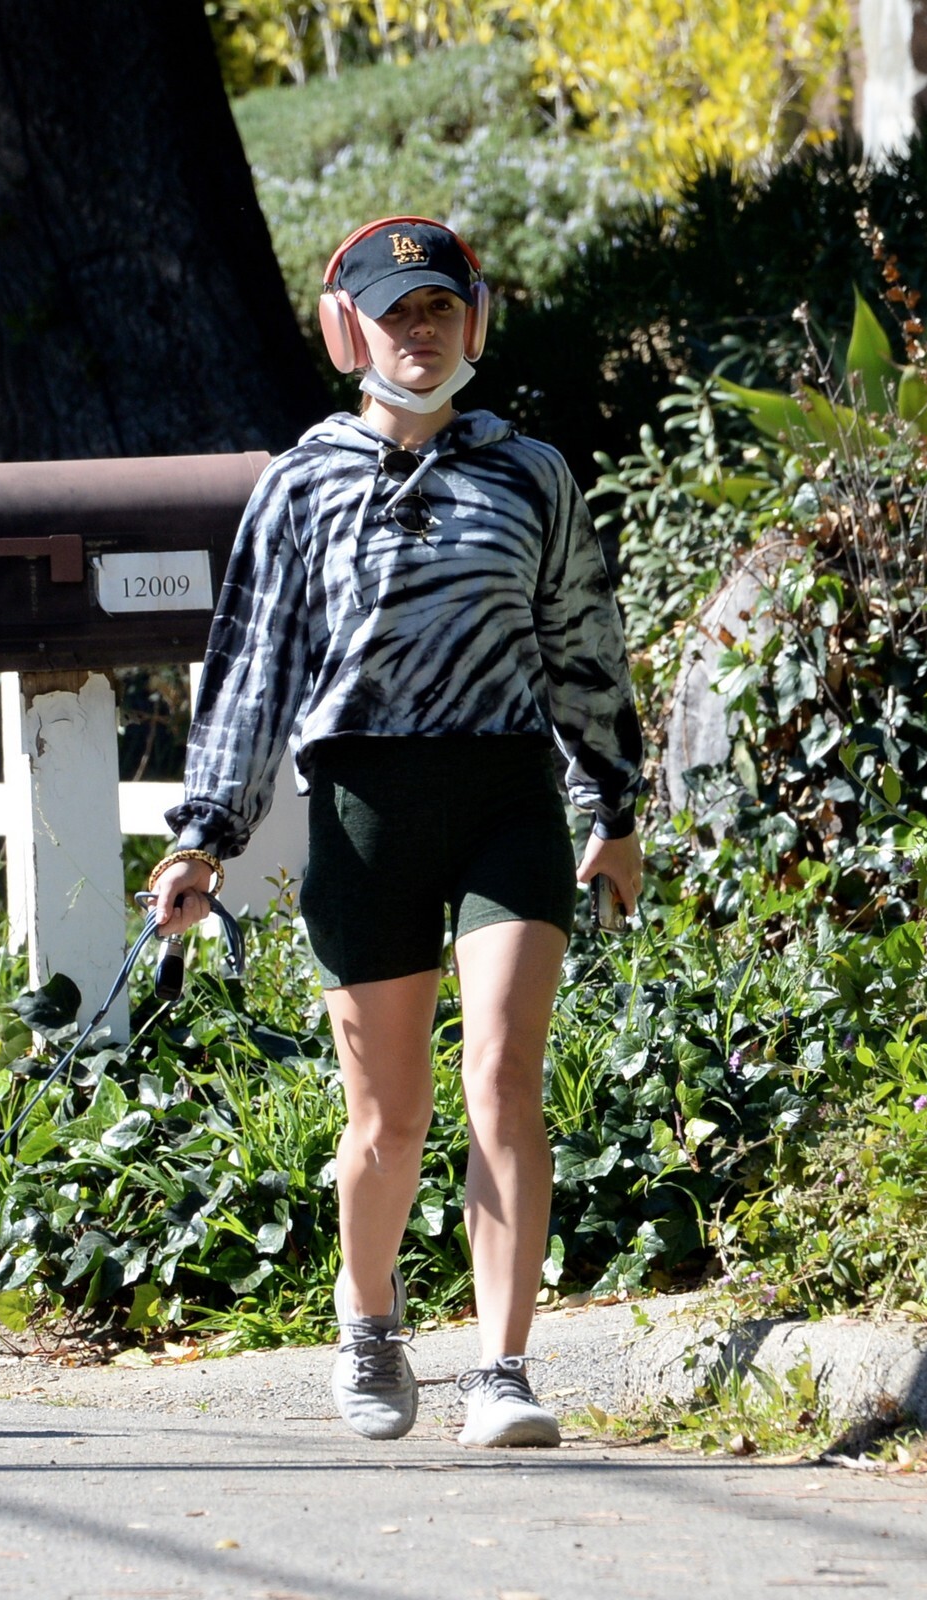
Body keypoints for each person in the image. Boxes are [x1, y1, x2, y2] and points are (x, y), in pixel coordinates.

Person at [150, 217, 644, 1447]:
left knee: (502, 1078)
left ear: (471, 322)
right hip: (363, 809)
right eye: (391, 313)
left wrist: (613, 806)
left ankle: (501, 1371)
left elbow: (582, 646)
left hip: (504, 800)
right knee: (388, 1117)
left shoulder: (529, 474)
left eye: (435, 309)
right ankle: (367, 1320)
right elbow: (251, 670)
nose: (415, 331)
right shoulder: (301, 483)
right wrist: (203, 837)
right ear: (346, 332)